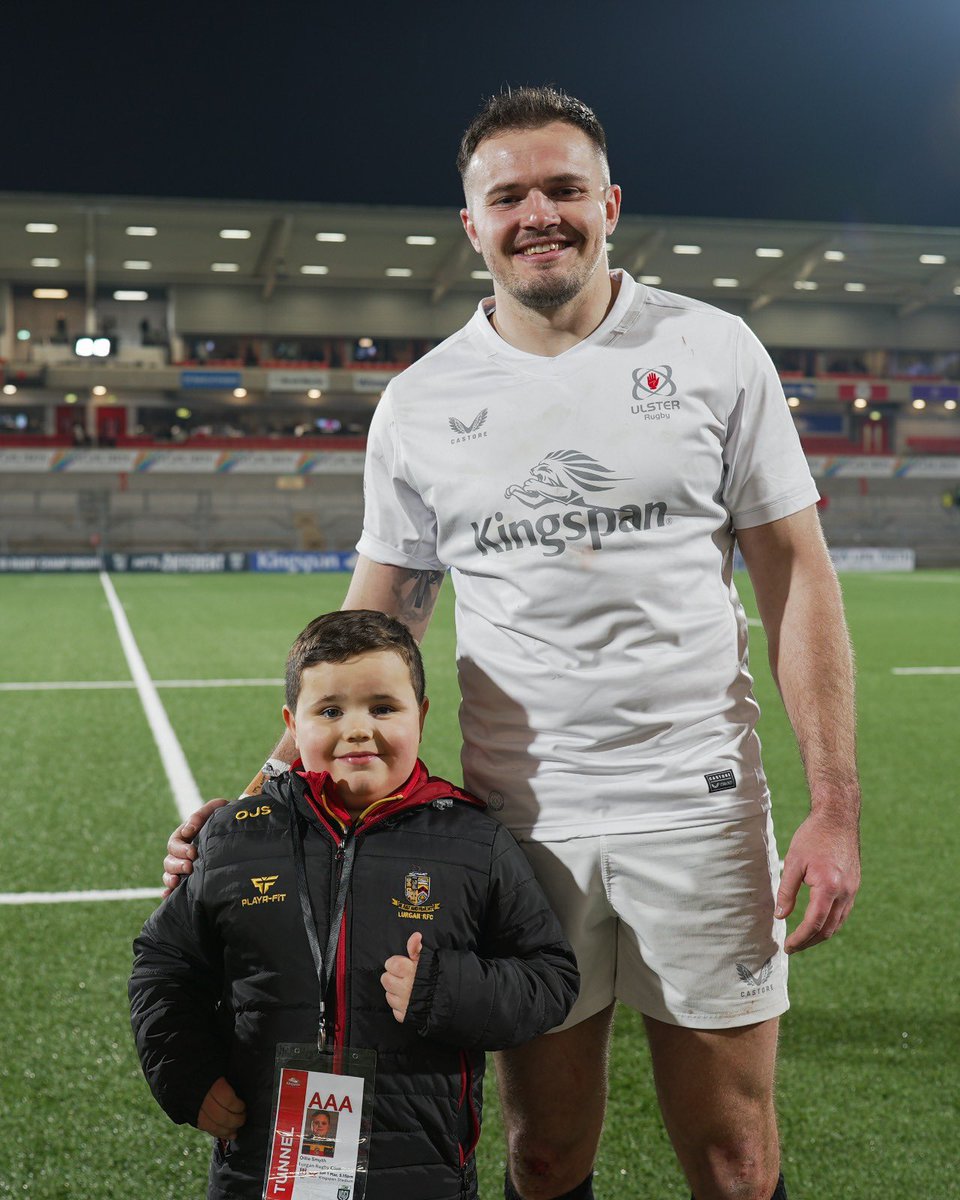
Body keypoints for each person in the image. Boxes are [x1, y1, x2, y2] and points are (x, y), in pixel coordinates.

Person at [163, 87, 861, 1200]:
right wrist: (276, 782)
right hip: (514, 825)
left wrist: (834, 805)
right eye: (510, 195)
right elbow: (379, 618)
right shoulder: (422, 401)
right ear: (473, 225)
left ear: (610, 205)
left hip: (700, 800)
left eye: (564, 189)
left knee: (733, 1154)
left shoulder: (713, 350)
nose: (540, 212)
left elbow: (797, 577)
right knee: (544, 1151)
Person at [134, 610, 578, 1200]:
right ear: (294, 725)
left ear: (421, 715)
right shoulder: (236, 837)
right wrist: (185, 1072)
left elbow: (549, 976)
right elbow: (165, 965)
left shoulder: (475, 843)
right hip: (261, 1166)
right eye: (331, 711)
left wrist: (448, 991)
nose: (358, 729)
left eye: (383, 707)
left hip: (420, 1171)